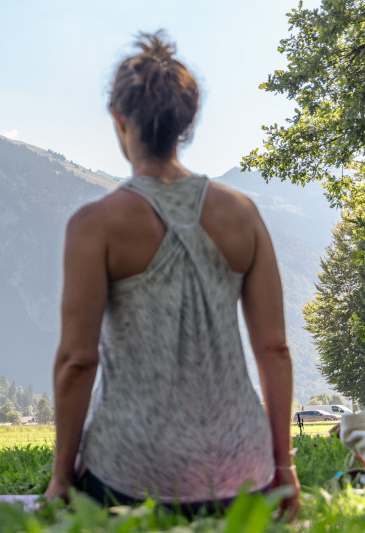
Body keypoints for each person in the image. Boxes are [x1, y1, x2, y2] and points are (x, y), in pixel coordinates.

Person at [44, 31, 300, 520]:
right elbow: (275, 349)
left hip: (129, 475)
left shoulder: (94, 225)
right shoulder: (243, 215)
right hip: (242, 474)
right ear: (187, 123)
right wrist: (282, 466)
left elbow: (78, 361)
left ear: (119, 122)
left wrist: (61, 476)